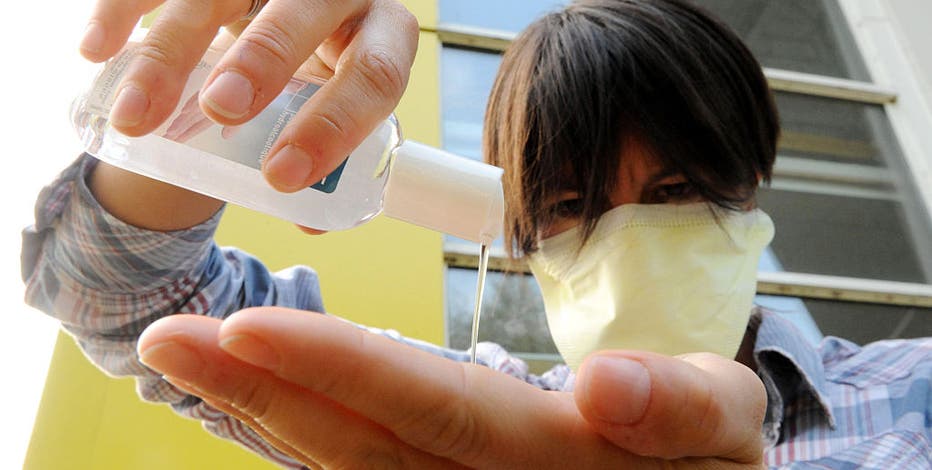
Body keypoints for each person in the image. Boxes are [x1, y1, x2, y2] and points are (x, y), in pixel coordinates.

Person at [22, 1, 931, 469]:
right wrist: (224, 97)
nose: (630, 239)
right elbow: (130, 299)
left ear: (750, 183)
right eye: (569, 207)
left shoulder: (916, 392)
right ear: (518, 232)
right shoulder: (468, 421)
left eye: (676, 189)